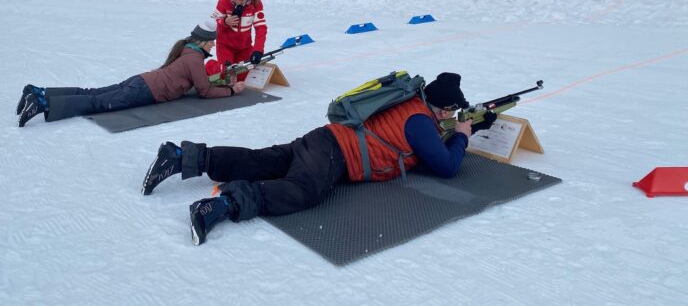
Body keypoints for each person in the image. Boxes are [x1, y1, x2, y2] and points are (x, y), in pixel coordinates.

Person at [141, 72, 497, 245]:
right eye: (452, 111)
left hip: (324, 138)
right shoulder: (421, 122)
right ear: (444, 107)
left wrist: (468, 129)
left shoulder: (413, 107)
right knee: (302, 191)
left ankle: (182, 157)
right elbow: (447, 167)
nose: (453, 117)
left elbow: (430, 144)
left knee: (262, 161)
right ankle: (224, 205)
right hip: (337, 153)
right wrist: (464, 136)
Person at [17, 20, 245, 127]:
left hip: (142, 80)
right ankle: (42, 103)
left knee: (93, 93)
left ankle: (40, 92)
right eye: (212, 42)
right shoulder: (195, 58)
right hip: (146, 90)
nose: (214, 46)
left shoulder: (187, 49)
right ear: (204, 42)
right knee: (97, 102)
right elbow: (204, 90)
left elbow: (200, 82)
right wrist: (231, 91)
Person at [210, 0, 267, 77]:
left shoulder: (256, 4)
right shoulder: (223, 1)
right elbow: (214, 21)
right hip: (225, 46)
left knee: (242, 77)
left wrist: (258, 49)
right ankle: (210, 66)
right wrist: (225, 22)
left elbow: (261, 28)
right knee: (225, 76)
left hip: (245, 47)